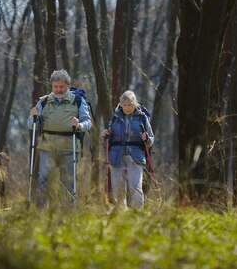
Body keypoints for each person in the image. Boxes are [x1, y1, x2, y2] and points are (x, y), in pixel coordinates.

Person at [28, 69, 92, 205]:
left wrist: (79, 125)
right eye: (55, 86)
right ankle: (40, 212)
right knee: (43, 179)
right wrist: (34, 116)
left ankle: (68, 213)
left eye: (61, 86)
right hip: (47, 147)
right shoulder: (44, 101)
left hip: (69, 147)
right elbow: (30, 124)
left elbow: (88, 122)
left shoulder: (78, 100)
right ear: (52, 86)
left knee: (68, 181)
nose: (58, 90)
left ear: (68, 85)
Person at [101, 90, 154, 208]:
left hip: (136, 156)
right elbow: (106, 140)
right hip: (116, 157)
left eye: (130, 104)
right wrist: (104, 135)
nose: (127, 107)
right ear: (120, 105)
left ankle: (137, 216)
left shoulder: (142, 118)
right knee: (118, 189)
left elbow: (151, 139)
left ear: (135, 104)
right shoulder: (115, 118)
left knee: (135, 187)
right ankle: (121, 217)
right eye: (124, 105)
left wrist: (146, 138)